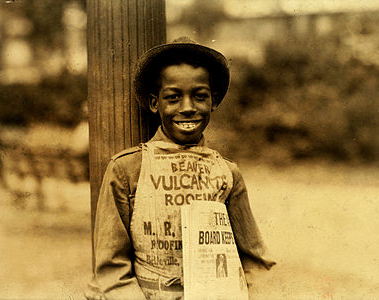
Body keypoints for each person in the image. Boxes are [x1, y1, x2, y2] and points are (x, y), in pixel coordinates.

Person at [85, 37, 275, 300]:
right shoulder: (127, 168)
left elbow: (255, 261)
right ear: (155, 103)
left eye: (199, 97)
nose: (187, 108)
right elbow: (111, 269)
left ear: (214, 101)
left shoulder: (227, 173)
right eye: (173, 98)